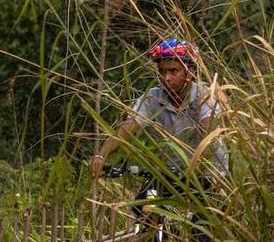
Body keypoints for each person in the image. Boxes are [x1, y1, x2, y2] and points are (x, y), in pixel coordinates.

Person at [89, 37, 228, 179]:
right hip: (171, 175)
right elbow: (128, 127)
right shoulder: (153, 97)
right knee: (147, 199)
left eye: (173, 71)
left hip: (208, 176)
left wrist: (191, 170)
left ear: (190, 71)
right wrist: (101, 155)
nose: (166, 78)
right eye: (162, 71)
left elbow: (208, 138)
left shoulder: (205, 97)